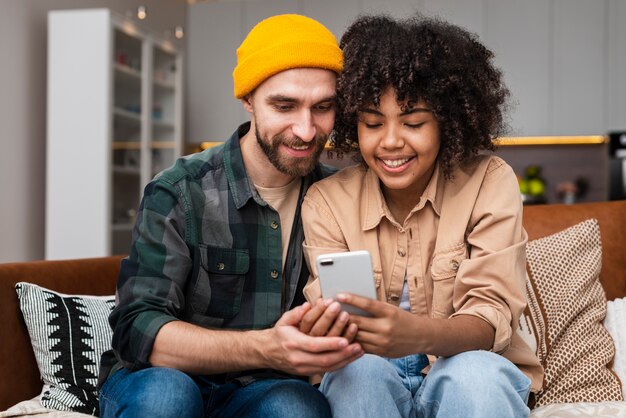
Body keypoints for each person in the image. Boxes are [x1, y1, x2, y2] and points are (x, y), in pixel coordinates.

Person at [98, 14, 364, 418]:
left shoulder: (340, 197)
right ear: (247, 99)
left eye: (323, 107)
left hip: (263, 388)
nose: (307, 130)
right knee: (168, 398)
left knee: (298, 409)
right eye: (284, 105)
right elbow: (137, 329)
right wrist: (266, 346)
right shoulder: (180, 190)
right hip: (159, 376)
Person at [299, 14, 544, 417]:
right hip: (369, 370)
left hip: (465, 363)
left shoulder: (488, 181)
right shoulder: (328, 201)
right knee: (356, 375)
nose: (391, 141)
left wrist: (416, 335)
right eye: (372, 123)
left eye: (413, 122)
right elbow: (334, 321)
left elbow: (489, 316)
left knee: (475, 377)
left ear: (446, 122)